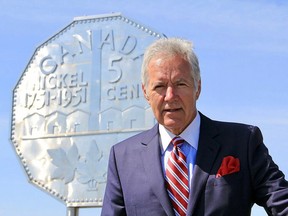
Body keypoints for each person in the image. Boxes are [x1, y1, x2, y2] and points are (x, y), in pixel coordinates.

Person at [101, 38, 288, 216]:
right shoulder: (122, 158)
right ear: (146, 92)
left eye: (180, 84)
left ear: (197, 87)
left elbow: (281, 202)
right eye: (160, 86)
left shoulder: (242, 142)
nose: (170, 96)